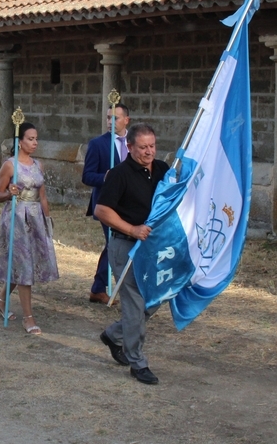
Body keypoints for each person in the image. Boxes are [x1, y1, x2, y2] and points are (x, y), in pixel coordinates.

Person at [95, 123, 169, 385]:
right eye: (143, 147)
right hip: (124, 246)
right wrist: (132, 229)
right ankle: (137, 362)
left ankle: (114, 334)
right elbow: (101, 211)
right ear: (130, 146)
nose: (148, 152)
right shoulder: (119, 174)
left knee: (157, 297)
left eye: (152, 146)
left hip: (152, 248)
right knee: (135, 302)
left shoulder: (161, 169)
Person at [0, 123, 59, 334]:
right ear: (19, 142)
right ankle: (28, 318)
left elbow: (43, 196)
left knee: (24, 264)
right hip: (17, 218)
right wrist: (10, 192)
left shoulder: (39, 165)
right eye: (30, 138)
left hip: (36, 217)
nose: (35, 142)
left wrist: (47, 221)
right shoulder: (10, 166)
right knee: (23, 264)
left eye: (36, 138)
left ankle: (0, 301)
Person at [82, 103, 131, 305]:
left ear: (126, 119)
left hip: (130, 203)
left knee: (118, 244)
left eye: (116, 118)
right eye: (108, 118)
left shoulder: (134, 142)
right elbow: (87, 176)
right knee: (114, 243)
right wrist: (106, 177)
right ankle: (99, 288)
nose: (111, 122)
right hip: (106, 204)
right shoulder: (98, 144)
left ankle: (100, 287)